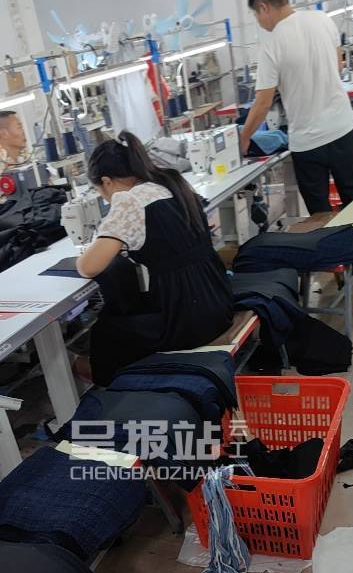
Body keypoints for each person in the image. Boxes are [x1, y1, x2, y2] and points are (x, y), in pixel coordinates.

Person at [76, 130, 234, 385]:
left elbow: (88, 267)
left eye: (100, 192)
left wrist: (87, 253)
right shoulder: (170, 183)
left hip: (190, 320)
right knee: (132, 310)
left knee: (106, 330)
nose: (105, 199)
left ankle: (122, 390)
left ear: (106, 181)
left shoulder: (130, 200)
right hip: (218, 299)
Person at [240, 0, 353, 214]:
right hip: (343, 130)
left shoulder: (271, 45)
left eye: (255, 14)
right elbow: (339, 66)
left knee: (320, 218)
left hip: (308, 145)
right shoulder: (322, 20)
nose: (258, 20)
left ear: (263, 7)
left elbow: (263, 103)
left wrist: (244, 137)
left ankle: (330, 240)